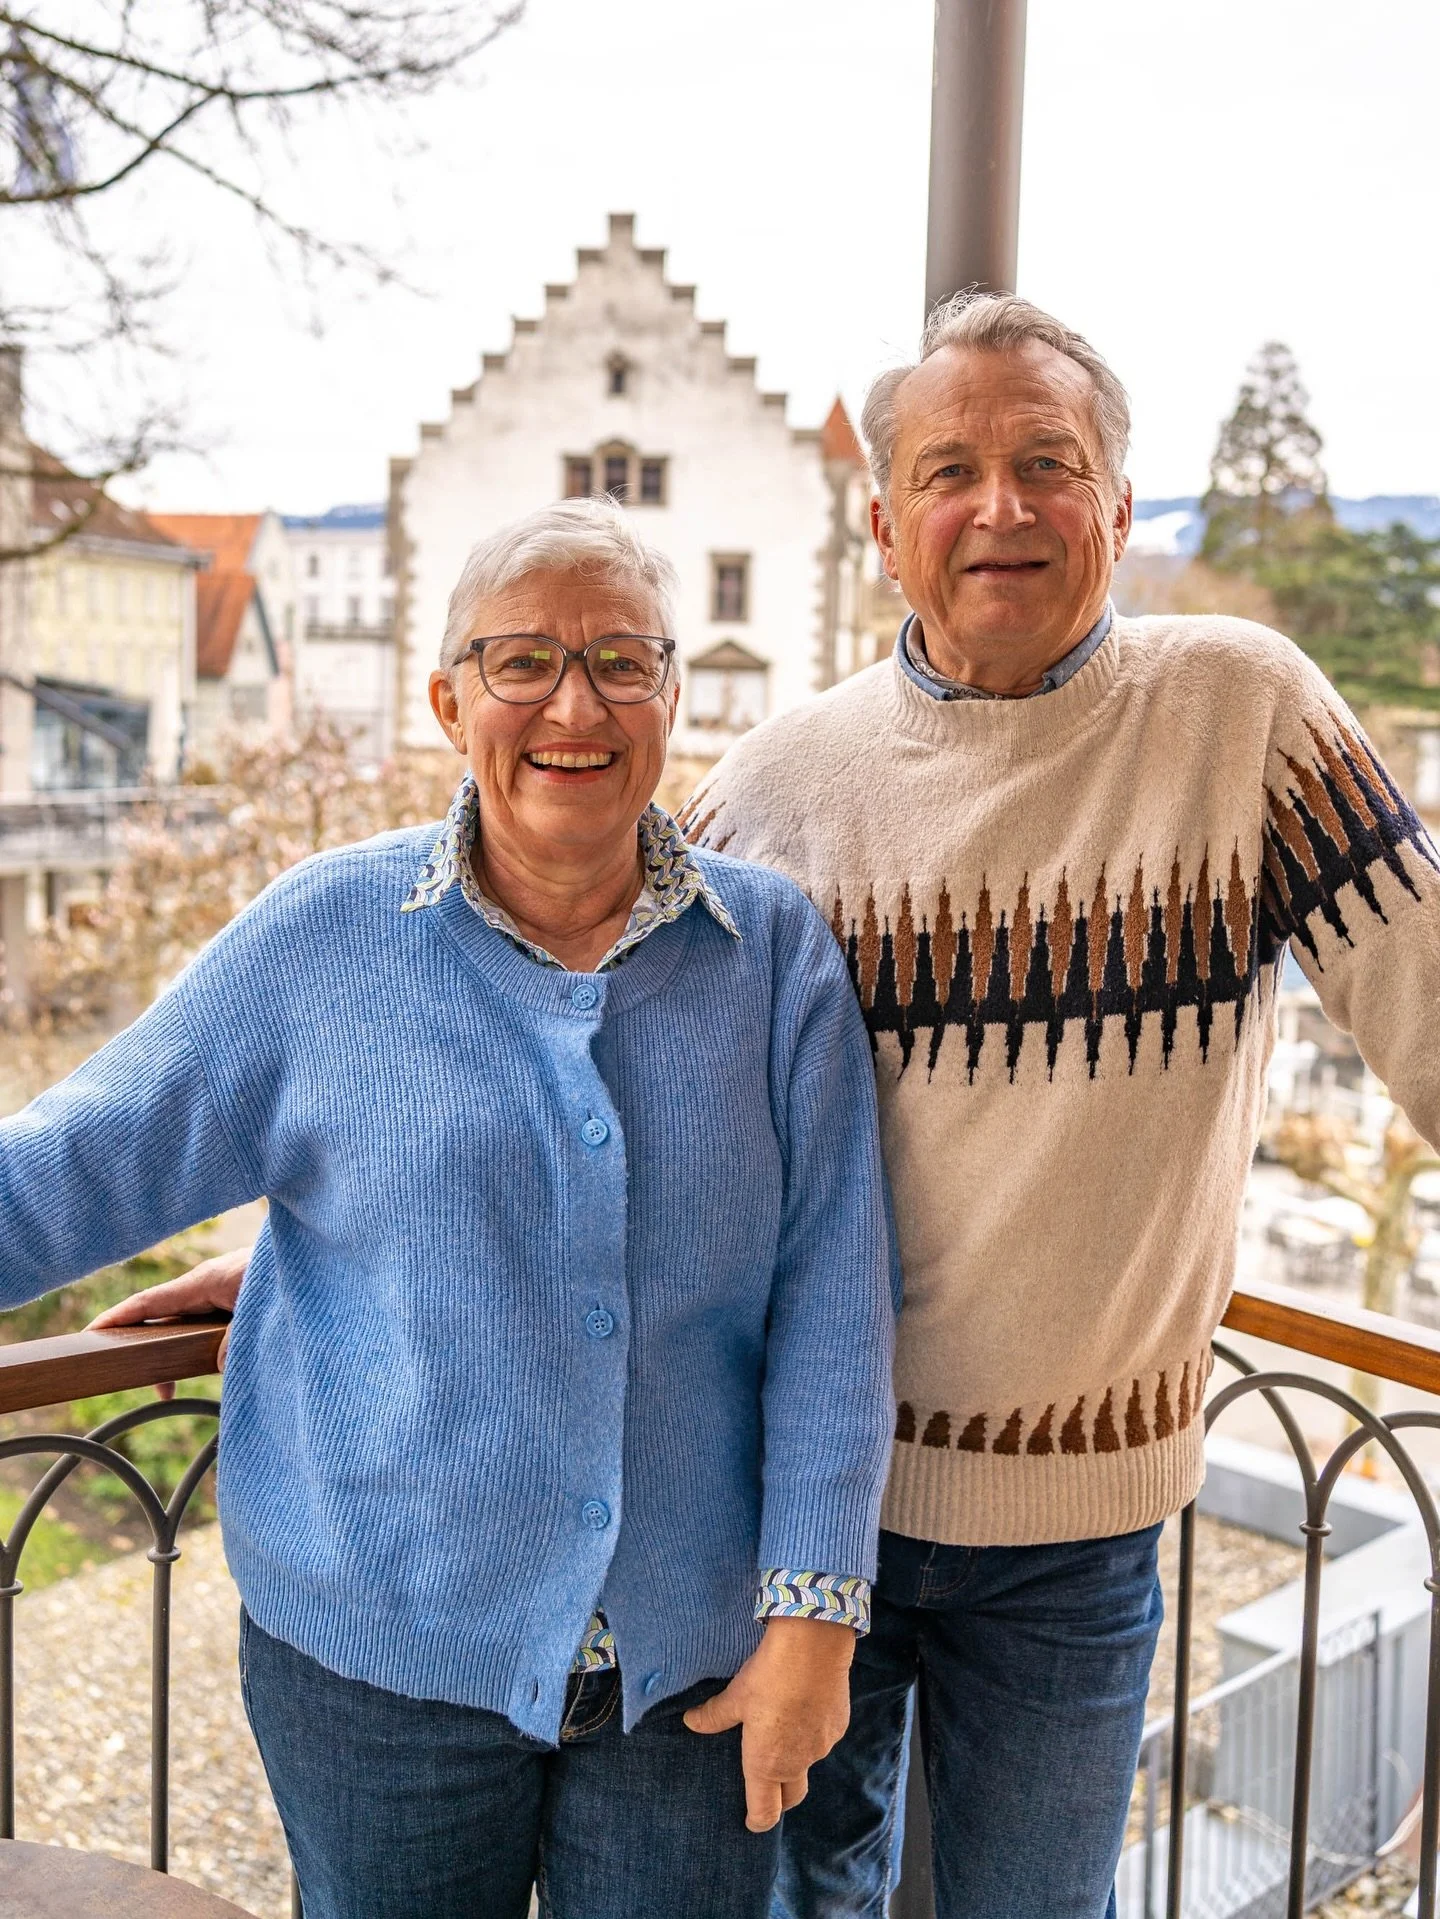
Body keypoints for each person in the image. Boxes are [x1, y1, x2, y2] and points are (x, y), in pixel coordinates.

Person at [1, 499, 898, 1919]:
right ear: (448, 699)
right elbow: (72, 1166)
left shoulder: (772, 954)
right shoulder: (323, 937)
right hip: (379, 1669)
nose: (573, 703)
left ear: (673, 694)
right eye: (521, 658)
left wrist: (813, 1620)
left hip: (692, 1673)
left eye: (620, 658)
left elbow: (837, 1309)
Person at [682, 293, 1440, 1919]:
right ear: (885, 525)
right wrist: (336, 1245)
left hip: (1078, 1532)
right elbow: (600, 1094)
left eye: (1051, 463)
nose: (1003, 508)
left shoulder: (1245, 717)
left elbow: (1430, 1010)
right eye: (951, 471)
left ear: (1116, 505)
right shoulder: (772, 790)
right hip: (800, 1512)